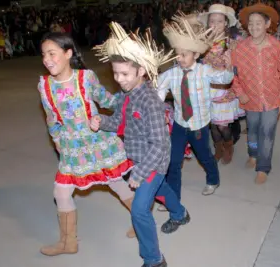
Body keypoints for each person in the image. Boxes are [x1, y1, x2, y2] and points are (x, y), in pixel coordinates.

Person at [91, 22, 190, 267]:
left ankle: (154, 259)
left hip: (153, 161)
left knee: (139, 210)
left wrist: (140, 173)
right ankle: (180, 214)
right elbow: (118, 122)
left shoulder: (150, 103)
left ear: (141, 72)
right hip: (140, 157)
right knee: (161, 191)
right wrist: (101, 121)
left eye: (124, 74)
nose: (119, 79)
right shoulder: (127, 95)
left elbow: (159, 143)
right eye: (115, 73)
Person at [37, 32, 136, 257]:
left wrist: (132, 91)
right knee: (61, 192)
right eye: (44, 55)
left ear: (68, 53)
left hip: (97, 141)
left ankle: (141, 223)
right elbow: (51, 117)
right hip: (71, 146)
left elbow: (108, 100)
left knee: (117, 183)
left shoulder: (85, 78)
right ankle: (68, 242)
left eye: (52, 53)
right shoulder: (44, 85)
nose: (47, 59)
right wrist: (57, 142)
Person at [158, 18, 234, 199]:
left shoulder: (204, 71)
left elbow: (224, 79)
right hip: (179, 124)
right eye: (177, 54)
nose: (180, 58)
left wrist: (229, 67)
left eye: (184, 54)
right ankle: (172, 197)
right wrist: (159, 107)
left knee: (204, 156)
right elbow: (159, 89)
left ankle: (213, 179)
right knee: (173, 161)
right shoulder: (171, 73)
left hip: (199, 125)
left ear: (196, 55)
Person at [232, 3, 280, 184]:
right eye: (250, 23)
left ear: (267, 24)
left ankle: (263, 167)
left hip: (272, 99)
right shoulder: (241, 48)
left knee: (267, 132)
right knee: (252, 130)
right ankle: (253, 153)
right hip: (250, 98)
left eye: (258, 23)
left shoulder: (275, 47)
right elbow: (233, 75)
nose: (254, 27)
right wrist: (239, 92)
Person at [198, 4, 244, 164]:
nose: (215, 24)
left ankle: (228, 146)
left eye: (219, 21)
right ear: (208, 23)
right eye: (212, 21)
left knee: (222, 125)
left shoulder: (232, 43)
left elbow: (239, 68)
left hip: (224, 90)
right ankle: (218, 148)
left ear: (226, 23)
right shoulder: (201, 43)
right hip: (206, 89)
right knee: (212, 124)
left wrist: (231, 66)